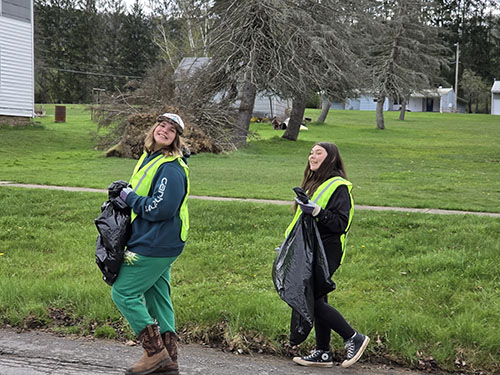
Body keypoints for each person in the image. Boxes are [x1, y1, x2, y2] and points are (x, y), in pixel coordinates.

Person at [111, 113, 190, 375]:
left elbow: (160, 209)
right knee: (157, 296)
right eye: (162, 125)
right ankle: (170, 360)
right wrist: (127, 193)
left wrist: (130, 197)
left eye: (172, 130)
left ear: (177, 138)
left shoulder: (171, 168)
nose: (165, 130)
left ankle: (155, 353)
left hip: (156, 242)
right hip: (158, 240)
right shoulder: (151, 158)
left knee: (123, 292)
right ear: (154, 128)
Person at [287, 142, 369, 368]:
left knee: (311, 300)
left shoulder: (339, 186)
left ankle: (353, 337)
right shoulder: (316, 183)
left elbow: (341, 223)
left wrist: (317, 212)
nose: (312, 156)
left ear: (330, 158)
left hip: (327, 251)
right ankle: (323, 352)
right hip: (310, 250)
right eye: (311, 152)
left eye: (318, 153)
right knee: (318, 297)